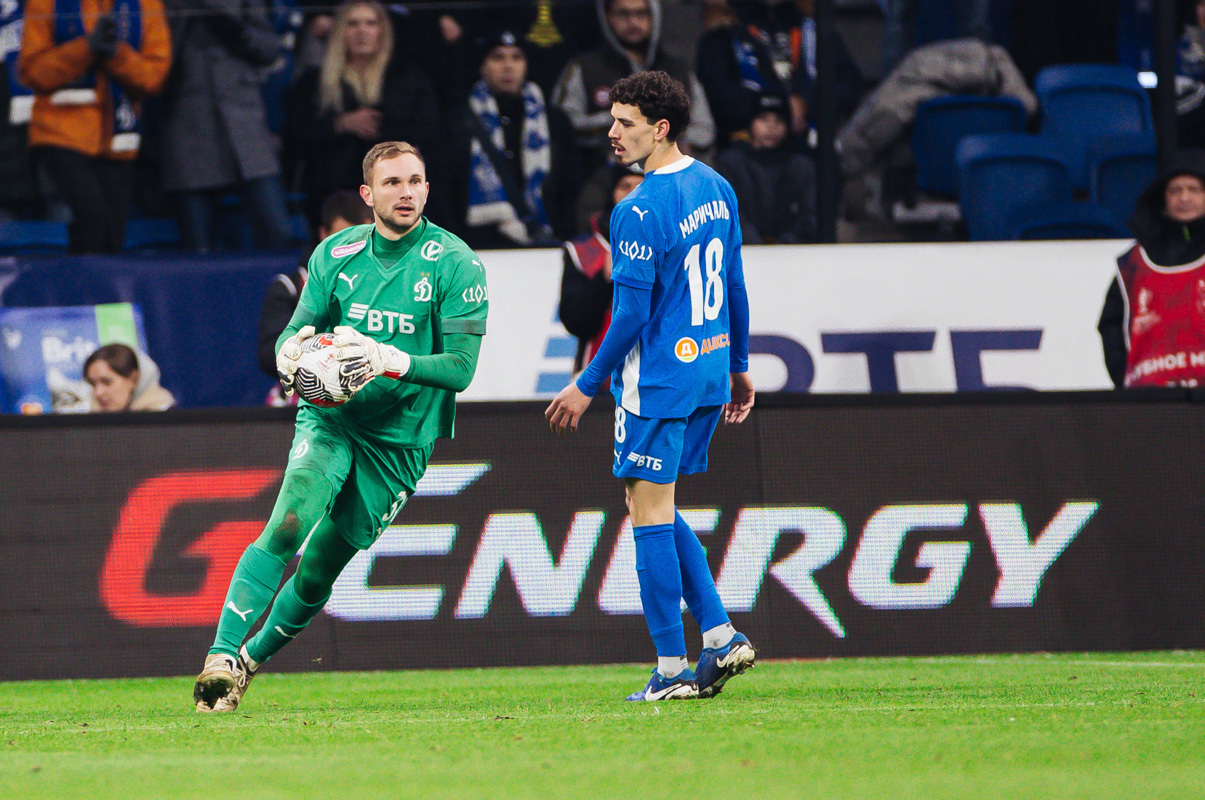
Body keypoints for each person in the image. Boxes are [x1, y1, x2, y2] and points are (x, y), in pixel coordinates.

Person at [193, 140, 488, 712]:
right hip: (331, 418)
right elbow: (296, 331)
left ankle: (249, 663)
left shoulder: (458, 263)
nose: (407, 192)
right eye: (393, 182)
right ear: (367, 193)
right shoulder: (335, 255)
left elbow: (461, 370)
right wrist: (289, 355)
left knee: (323, 564)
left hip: (401, 440)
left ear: (428, 188)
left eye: (416, 181)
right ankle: (222, 656)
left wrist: (387, 358)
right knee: (288, 524)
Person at [545, 71, 755, 701]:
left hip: (658, 378)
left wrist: (587, 382)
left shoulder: (637, 209)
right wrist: (740, 364)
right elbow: (736, 285)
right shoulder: (717, 187)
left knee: (647, 516)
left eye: (625, 123)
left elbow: (632, 315)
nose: (611, 133)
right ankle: (718, 635)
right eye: (612, 120)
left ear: (659, 129)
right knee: (650, 505)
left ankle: (670, 669)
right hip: (710, 369)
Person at [18, 0, 172, 252]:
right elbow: (33, 72)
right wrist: (86, 48)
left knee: (112, 236)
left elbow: (153, 79)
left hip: (118, 140)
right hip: (60, 135)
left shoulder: (147, 4)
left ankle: (95, 290)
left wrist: (116, 54)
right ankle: (76, 288)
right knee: (91, 219)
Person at [283, 0, 442, 230]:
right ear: (340, 32)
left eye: (371, 23)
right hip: (331, 198)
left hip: (395, 198)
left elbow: (429, 132)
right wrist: (339, 125)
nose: (362, 31)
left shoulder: (407, 77)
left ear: (383, 31)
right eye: (352, 24)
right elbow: (294, 137)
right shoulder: (313, 82)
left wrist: (380, 134)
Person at [160, 0, 293, 251]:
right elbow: (155, 60)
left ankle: (276, 290)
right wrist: (184, 20)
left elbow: (270, 49)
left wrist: (238, 33)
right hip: (188, 129)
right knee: (198, 248)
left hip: (245, 125)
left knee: (277, 230)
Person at [448, 30, 579, 249]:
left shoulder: (554, 122)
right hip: (478, 244)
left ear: (526, 65)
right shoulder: (459, 122)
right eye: (497, 57)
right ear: (482, 66)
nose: (508, 66)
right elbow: (447, 189)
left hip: (545, 242)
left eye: (517, 57)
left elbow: (570, 185)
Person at [551, 0, 715, 174]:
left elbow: (705, 131)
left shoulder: (678, 71)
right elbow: (563, 125)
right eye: (623, 14)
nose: (633, 22)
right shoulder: (585, 67)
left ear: (654, 16)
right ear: (608, 16)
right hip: (605, 181)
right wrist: (620, 120)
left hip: (671, 179)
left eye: (641, 14)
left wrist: (664, 133)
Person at [1098, 150, 1205, 388]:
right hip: (1151, 401)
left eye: (1194, 189)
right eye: (1175, 190)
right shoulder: (1134, 262)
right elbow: (1112, 325)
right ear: (1163, 198)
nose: (1184, 198)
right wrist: (1126, 380)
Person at [257, 189, 374, 401]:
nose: (352, 249)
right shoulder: (290, 287)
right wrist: (318, 358)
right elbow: (268, 355)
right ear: (323, 235)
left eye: (360, 240)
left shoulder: (389, 287)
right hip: (305, 405)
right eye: (343, 239)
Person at [559, 166, 643, 373]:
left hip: (656, 378)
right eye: (625, 186)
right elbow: (575, 323)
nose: (633, 194)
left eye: (641, 186)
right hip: (598, 382)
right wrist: (603, 280)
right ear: (612, 192)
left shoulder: (671, 244)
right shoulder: (583, 250)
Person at [715, 91, 816, 243]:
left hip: (792, 256)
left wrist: (783, 246)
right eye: (763, 119)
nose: (771, 127)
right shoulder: (730, 164)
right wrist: (757, 247)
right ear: (751, 122)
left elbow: (809, 217)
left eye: (778, 121)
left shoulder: (801, 166)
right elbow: (728, 215)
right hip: (744, 254)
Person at [84, 344, 176, 411]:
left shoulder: (170, 423)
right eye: (93, 384)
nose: (98, 392)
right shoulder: (92, 427)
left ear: (134, 379)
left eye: (106, 382)